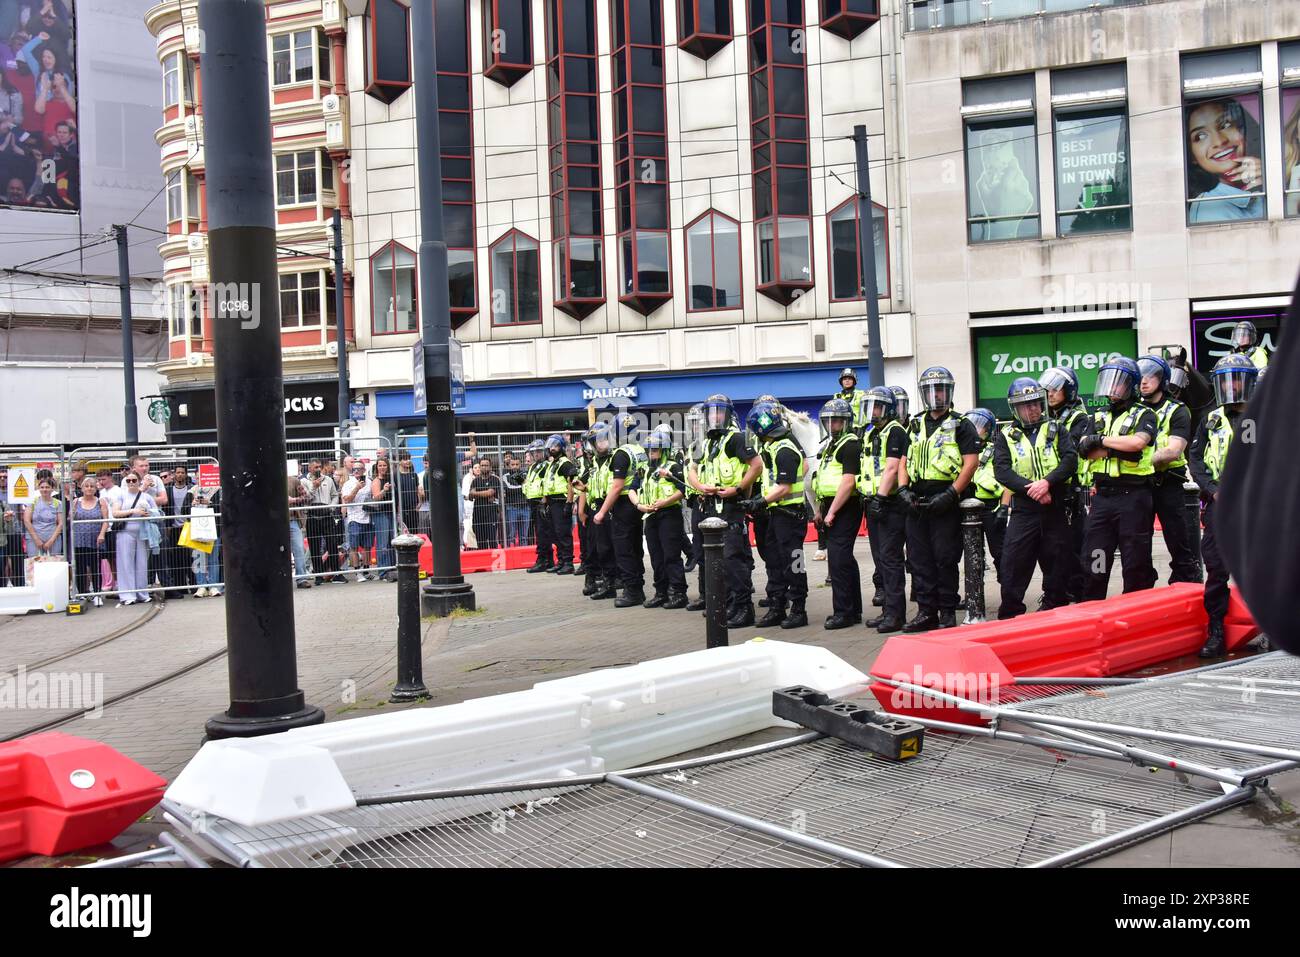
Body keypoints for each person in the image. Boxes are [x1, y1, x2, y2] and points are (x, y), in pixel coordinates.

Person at [898, 367, 979, 632]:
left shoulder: (961, 424)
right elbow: (904, 460)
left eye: (941, 389)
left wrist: (952, 493)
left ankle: (946, 612)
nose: (937, 395)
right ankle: (925, 612)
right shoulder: (915, 423)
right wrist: (903, 489)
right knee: (919, 560)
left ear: (950, 392)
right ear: (924, 394)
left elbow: (971, 463)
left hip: (945, 499)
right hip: (916, 500)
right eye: (931, 390)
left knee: (945, 558)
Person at [1189, 355, 1258, 657]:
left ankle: (1268, 628)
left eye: (1237, 379)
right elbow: (1196, 460)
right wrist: (1214, 490)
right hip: (1219, 504)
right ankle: (1216, 629)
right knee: (1216, 569)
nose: (1231, 386)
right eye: (1226, 380)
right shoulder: (1210, 418)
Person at [992, 378, 1078, 619]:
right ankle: (1010, 614)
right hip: (1024, 509)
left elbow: (1070, 460)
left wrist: (1047, 483)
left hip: (1055, 506)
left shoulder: (1057, 428)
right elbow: (1002, 470)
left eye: (1034, 404)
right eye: (1024, 406)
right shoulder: (1005, 436)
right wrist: (1033, 489)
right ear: (1015, 409)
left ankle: (1054, 610)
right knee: (1012, 565)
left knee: (1058, 565)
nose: (1031, 410)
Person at [1076, 357, 1158, 600]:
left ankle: (1135, 618)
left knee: (1135, 563)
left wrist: (1101, 442)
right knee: (1095, 558)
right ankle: (1093, 610)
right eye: (1109, 382)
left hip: (1133, 498)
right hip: (1103, 498)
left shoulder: (1145, 414)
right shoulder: (1097, 416)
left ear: (1131, 385)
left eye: (1118, 383)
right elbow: (1083, 447)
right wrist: (1119, 449)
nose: (1112, 389)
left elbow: (1138, 443)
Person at [688, 394, 763, 627]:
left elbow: (756, 465)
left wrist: (737, 488)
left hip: (731, 507)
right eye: (711, 412)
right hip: (709, 506)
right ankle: (731, 603)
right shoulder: (705, 442)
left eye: (720, 411)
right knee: (718, 560)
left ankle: (744, 608)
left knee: (733, 559)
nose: (715, 416)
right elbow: (692, 468)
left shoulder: (737, 439)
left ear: (729, 414)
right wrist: (700, 486)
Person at [744, 401, 809, 629]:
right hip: (777, 514)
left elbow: (785, 487)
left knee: (794, 563)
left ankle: (799, 609)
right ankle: (778, 606)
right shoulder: (772, 446)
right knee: (775, 561)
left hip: (790, 515)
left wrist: (759, 502)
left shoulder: (784, 449)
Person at [1138, 354, 1201, 585]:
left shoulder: (1178, 410)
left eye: (1150, 377)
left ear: (1163, 380)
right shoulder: (1134, 409)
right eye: (1141, 377)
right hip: (1139, 485)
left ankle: (1186, 588)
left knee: (1179, 542)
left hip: (1169, 484)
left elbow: (1174, 450)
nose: (1144, 382)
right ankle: (1142, 592)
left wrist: (1137, 460)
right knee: (1138, 547)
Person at [1038, 365, 1094, 600]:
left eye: (1055, 389)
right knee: (1050, 548)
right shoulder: (1044, 418)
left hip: (1072, 490)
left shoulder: (1079, 418)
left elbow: (1068, 451)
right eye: (1047, 389)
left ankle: (1078, 592)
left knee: (1074, 547)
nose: (1049, 393)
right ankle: (1055, 591)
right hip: (1048, 489)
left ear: (1068, 391)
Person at [858, 388, 909, 633]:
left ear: (888, 408)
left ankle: (896, 614)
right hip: (874, 502)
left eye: (876, 407)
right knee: (881, 560)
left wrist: (880, 497)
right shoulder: (871, 433)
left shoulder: (896, 431)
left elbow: (892, 468)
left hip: (889, 503)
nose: (872, 412)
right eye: (869, 407)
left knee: (890, 560)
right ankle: (887, 610)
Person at [813, 398, 861, 629]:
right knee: (846, 560)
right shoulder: (830, 445)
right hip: (832, 505)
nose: (832, 425)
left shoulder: (850, 444)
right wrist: (821, 510)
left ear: (846, 422)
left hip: (845, 506)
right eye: (828, 421)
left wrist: (831, 512)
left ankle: (843, 612)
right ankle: (854, 610)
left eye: (836, 421)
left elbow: (848, 482)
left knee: (839, 560)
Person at [594, 413, 648, 608]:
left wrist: (601, 512)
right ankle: (638, 586)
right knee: (635, 547)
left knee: (624, 550)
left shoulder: (621, 453)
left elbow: (617, 487)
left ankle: (632, 591)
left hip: (624, 505)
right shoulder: (640, 450)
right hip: (637, 503)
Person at [1185, 98, 1264, 223]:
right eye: (1200, 136)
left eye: (1225, 125)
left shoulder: (1264, 187)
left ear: (1243, 130)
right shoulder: (1210, 208)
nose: (1219, 141)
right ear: (1192, 156)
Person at [635, 430, 688, 609]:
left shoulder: (672, 467)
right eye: (649, 450)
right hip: (650, 516)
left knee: (671, 556)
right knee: (656, 557)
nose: (652, 454)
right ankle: (661, 593)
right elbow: (632, 489)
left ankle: (679, 593)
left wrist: (666, 501)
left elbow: (683, 489)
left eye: (655, 450)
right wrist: (639, 505)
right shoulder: (644, 469)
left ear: (664, 451)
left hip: (669, 515)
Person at [964, 407, 1007, 584]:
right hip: (967, 506)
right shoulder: (962, 450)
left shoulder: (996, 450)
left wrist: (1003, 508)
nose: (975, 428)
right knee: (973, 553)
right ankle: (975, 591)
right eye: (971, 424)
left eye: (980, 425)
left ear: (988, 431)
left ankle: (1007, 588)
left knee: (999, 551)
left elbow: (1005, 480)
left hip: (990, 507)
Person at [111, 472, 159, 606]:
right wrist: (133, 511)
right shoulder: (120, 495)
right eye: (128, 480)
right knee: (125, 563)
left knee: (142, 564)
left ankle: (142, 593)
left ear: (139, 481)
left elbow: (158, 514)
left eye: (134, 480)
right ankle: (127, 594)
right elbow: (115, 513)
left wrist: (148, 513)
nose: (131, 483)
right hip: (125, 532)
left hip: (143, 533)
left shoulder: (147, 497)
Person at [584, 423, 619, 600]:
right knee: (602, 548)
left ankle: (618, 581)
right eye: (596, 441)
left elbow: (615, 486)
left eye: (603, 440)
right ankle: (608, 583)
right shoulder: (595, 462)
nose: (600, 444)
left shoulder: (615, 458)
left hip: (611, 507)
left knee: (616, 547)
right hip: (597, 507)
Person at [70, 476, 109, 606]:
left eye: (92, 486)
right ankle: (82, 593)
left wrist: (102, 534)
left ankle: (97, 593)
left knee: (95, 567)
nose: (89, 488)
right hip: (79, 539)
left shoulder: (100, 501)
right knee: (80, 567)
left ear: (95, 488)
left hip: (95, 539)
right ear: (82, 488)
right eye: (86, 486)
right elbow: (70, 519)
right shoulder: (76, 501)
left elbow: (105, 520)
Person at [539, 437, 575, 573]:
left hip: (561, 501)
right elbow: (548, 484)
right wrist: (544, 503)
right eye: (551, 446)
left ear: (562, 448)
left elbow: (571, 483)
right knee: (555, 533)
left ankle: (568, 562)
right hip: (552, 502)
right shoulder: (552, 463)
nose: (552, 449)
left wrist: (569, 503)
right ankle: (560, 560)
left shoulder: (565, 463)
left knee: (563, 533)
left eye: (555, 446)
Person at [305, 458, 342, 584]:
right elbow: (306, 499)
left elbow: (335, 495)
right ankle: (318, 575)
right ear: (309, 468)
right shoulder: (304, 481)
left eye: (319, 466)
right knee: (314, 546)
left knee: (332, 544)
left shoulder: (328, 479)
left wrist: (331, 507)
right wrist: (314, 487)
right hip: (312, 515)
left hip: (327, 514)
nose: (318, 469)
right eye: (315, 467)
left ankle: (336, 573)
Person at [183, 482, 222, 598]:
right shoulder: (191, 491)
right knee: (198, 559)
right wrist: (192, 504)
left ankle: (214, 586)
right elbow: (183, 511)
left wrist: (209, 503)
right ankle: (201, 586)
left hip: (214, 529)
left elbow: (224, 507)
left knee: (213, 559)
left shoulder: (218, 490)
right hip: (196, 529)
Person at [341, 461, 374, 582]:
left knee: (367, 547)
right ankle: (357, 572)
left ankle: (366, 570)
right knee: (354, 547)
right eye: (354, 469)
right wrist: (357, 488)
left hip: (368, 518)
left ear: (364, 470)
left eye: (359, 469)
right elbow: (347, 500)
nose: (356, 471)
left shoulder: (370, 482)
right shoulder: (348, 484)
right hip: (354, 519)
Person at [523, 440, 553, 572]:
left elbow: (546, 483)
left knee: (543, 533)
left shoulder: (546, 465)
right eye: (534, 452)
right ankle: (547, 560)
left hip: (541, 502)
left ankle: (543, 560)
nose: (536, 454)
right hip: (533, 502)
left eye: (539, 451)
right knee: (540, 533)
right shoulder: (533, 467)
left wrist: (544, 500)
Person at [22, 475, 63, 562]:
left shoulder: (58, 503)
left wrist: (51, 541)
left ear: (52, 489)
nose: (44, 489)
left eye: (47, 487)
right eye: (42, 487)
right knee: (34, 564)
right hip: (33, 538)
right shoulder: (32, 501)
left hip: (53, 538)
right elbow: (26, 521)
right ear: (38, 488)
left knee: (54, 564)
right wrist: (36, 539)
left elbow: (61, 523)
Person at [369, 458, 396, 579]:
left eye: (384, 465)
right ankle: (383, 572)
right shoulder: (376, 481)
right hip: (381, 513)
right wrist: (384, 490)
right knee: (383, 543)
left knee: (392, 542)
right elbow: (376, 498)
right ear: (377, 467)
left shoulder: (391, 479)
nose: (382, 467)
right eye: (380, 465)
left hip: (392, 513)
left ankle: (391, 568)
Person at [287, 475, 313, 588]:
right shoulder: (265, 482)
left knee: (299, 549)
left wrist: (293, 500)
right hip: (272, 524)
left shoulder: (293, 481)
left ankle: (301, 579)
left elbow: (307, 498)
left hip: (292, 520)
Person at [0, 469, 24, 586]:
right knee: (1, 563)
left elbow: (21, 511)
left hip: (15, 531)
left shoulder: (15, 491)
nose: (3, 479)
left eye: (5, 477)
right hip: (1, 534)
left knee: (17, 563)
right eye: (1, 477)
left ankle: (20, 587)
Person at [833, 368, 868, 434]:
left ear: (854, 381)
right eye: (845, 379)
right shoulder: (837, 396)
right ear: (841, 381)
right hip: (841, 430)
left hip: (858, 431)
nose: (847, 381)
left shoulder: (861, 394)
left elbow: (868, 412)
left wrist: (863, 428)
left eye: (849, 379)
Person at [394, 451, 421, 534]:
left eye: (409, 459)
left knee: (414, 532)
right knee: (403, 533)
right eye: (405, 459)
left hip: (413, 509)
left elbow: (417, 490)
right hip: (402, 509)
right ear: (399, 461)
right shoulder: (395, 475)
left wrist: (419, 502)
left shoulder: (414, 475)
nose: (408, 461)